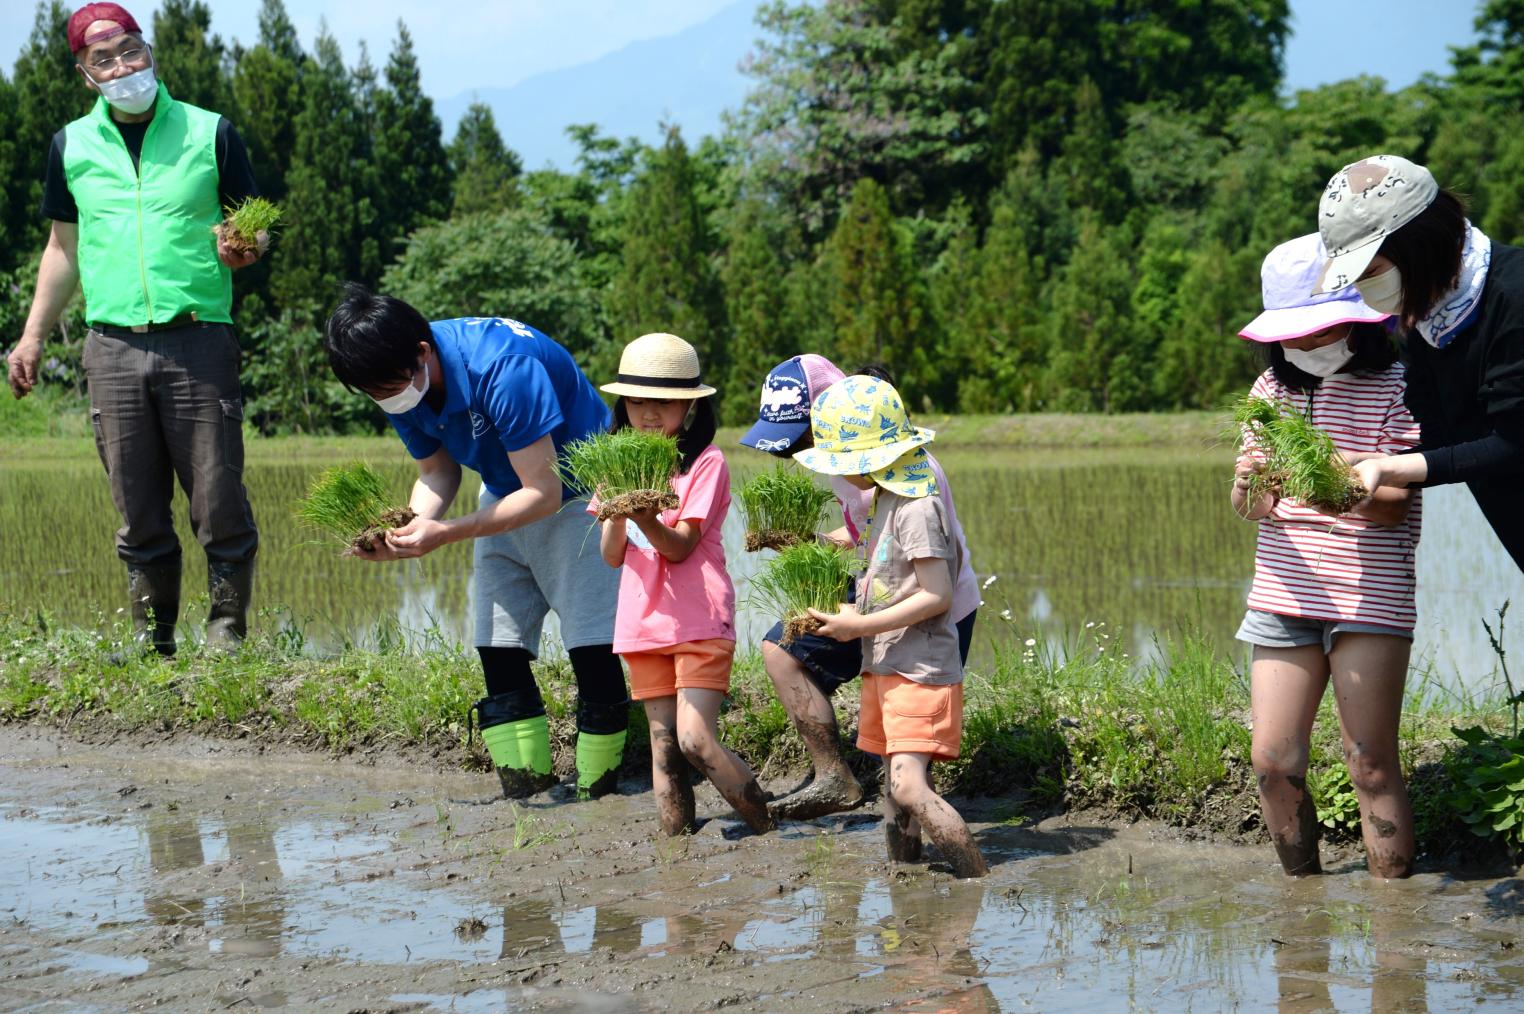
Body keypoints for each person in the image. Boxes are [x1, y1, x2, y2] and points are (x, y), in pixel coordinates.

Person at [5, 3, 265, 655]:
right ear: (84, 73)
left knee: (218, 494)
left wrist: (247, 246)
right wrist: (33, 334)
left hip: (198, 338)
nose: (122, 66)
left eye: (129, 50)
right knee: (137, 502)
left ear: (147, 50)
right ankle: (154, 643)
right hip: (112, 347)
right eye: (103, 59)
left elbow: (256, 222)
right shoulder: (73, 147)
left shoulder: (210, 132)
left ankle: (226, 632)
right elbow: (62, 248)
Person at [322, 288, 627, 801]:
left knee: (590, 646)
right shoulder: (396, 378)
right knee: (498, 646)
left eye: (389, 386)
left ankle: (599, 794)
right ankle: (526, 790)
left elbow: (545, 491)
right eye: (371, 392)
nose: (386, 399)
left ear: (423, 353)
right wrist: (404, 530)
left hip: (581, 495)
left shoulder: (503, 369)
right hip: (507, 489)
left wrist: (447, 533)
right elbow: (437, 471)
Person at [1233, 233, 1420, 878]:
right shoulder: (1270, 391)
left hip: (1370, 595)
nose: (1310, 345)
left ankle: (1396, 914)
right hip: (1284, 594)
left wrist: (1332, 477)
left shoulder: (1399, 384)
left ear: (1357, 323)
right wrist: (1253, 484)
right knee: (1272, 761)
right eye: (1298, 335)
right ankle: (1301, 910)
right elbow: (1251, 506)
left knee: (1368, 759)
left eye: (1323, 331)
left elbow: (1395, 503)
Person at [739, 355, 980, 821]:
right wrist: (808, 544)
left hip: (928, 612)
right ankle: (834, 776)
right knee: (780, 650)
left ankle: (933, 852)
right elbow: (867, 534)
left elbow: (929, 575)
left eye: (805, 436)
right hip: (877, 595)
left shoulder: (906, 471)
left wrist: (861, 624)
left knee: (904, 760)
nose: (800, 450)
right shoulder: (848, 463)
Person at [795, 375, 987, 878]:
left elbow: (937, 594)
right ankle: (906, 878)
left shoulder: (918, 506)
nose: (842, 475)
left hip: (921, 664)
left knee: (907, 785)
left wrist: (859, 625)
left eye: (846, 463)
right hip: (887, 662)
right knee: (893, 790)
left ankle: (975, 880)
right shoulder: (887, 497)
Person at [594, 332, 774, 837]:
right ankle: (674, 848)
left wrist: (646, 517)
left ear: (689, 407)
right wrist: (616, 508)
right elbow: (612, 556)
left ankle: (764, 828)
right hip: (642, 620)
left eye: (665, 403)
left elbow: (680, 546)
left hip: (697, 616)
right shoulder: (617, 465)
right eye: (637, 401)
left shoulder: (705, 462)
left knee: (695, 739)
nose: (649, 414)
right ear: (622, 404)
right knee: (663, 742)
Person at [1312, 154, 1524, 570]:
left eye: (1369, 271)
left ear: (1416, 243)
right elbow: (1444, 440)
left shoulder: (1514, 297)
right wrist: (1362, 463)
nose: (1362, 288)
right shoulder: (1426, 324)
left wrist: (1390, 468)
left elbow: (1516, 443)